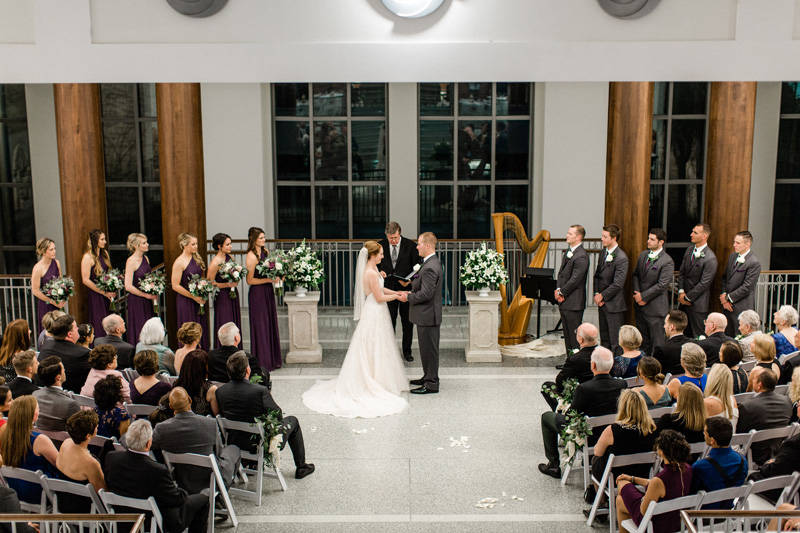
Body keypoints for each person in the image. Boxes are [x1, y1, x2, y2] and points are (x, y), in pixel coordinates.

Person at [303, 241, 408, 418]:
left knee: (379, 347)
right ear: (373, 255)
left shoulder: (374, 270)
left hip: (376, 312)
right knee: (373, 346)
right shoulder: (371, 273)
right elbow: (379, 297)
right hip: (375, 312)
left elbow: (382, 288)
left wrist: (396, 292)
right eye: (381, 254)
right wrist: (398, 297)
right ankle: (373, 382)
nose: (383, 256)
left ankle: (380, 380)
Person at [216, 352, 315, 479]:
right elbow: (277, 415)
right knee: (293, 421)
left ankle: (248, 462)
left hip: (235, 442)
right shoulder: (258, 391)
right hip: (259, 443)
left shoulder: (220, 392)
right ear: (248, 370)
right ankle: (301, 467)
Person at [104, 419, 210, 533]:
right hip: (152, 520)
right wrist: (183, 492)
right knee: (204, 498)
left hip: (121, 518)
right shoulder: (157, 471)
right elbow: (176, 499)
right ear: (149, 443)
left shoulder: (111, 458)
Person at [539, 347, 627, 479]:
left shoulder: (584, 389)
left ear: (593, 365)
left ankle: (553, 464)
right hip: (613, 432)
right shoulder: (622, 384)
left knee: (546, 417)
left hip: (590, 436)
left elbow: (570, 418)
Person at [151, 387, 241, 494]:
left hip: (183, 481)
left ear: (171, 406)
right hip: (210, 480)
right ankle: (222, 491)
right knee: (234, 449)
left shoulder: (162, 429)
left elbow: (146, 445)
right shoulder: (210, 423)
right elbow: (219, 452)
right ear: (190, 400)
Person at [588, 390, 657, 517]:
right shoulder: (652, 428)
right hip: (642, 474)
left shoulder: (613, 430)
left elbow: (597, 451)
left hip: (616, 477)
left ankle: (602, 502)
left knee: (596, 460)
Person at [616, 430, 693, 533]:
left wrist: (643, 497)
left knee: (621, 483)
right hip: (678, 522)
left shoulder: (660, 480)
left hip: (656, 526)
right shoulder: (687, 469)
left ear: (662, 452)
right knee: (620, 501)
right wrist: (633, 479)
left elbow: (643, 511)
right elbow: (659, 486)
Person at [398, 232, 443, 395]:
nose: (416, 246)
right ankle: (427, 376)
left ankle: (431, 383)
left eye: (419, 244)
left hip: (428, 315)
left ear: (427, 246)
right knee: (425, 349)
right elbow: (423, 284)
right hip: (426, 314)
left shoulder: (430, 266)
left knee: (429, 350)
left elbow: (426, 294)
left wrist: (407, 296)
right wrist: (411, 282)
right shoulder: (428, 263)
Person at [0, 396, 59, 504]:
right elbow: (60, 464)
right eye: (37, 408)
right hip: (40, 493)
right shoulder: (40, 440)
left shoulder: (4, 435)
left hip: (14, 490)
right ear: (31, 414)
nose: (39, 410)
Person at [378, 221, 420, 362]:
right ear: (386, 235)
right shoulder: (380, 245)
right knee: (389, 322)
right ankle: (389, 351)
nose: (393, 241)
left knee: (407, 323)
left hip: (405, 291)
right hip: (388, 290)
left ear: (400, 233)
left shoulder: (411, 246)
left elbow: (418, 268)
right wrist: (380, 272)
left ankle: (407, 352)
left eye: (395, 238)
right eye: (390, 238)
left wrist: (410, 281)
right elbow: (375, 264)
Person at [736, 368, 793, 466]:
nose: (752, 381)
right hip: (779, 451)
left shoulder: (747, 407)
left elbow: (741, 435)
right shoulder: (787, 401)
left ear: (760, 385)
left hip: (754, 454)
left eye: (754, 379)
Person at [245, 227, 282, 372]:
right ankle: (262, 362)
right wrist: (268, 280)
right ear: (254, 239)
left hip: (267, 292)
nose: (264, 240)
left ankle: (273, 359)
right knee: (260, 326)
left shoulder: (265, 253)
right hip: (257, 293)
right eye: (261, 238)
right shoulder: (251, 256)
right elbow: (250, 280)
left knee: (269, 323)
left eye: (264, 237)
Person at [632, 228, 674, 356]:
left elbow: (662, 285)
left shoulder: (667, 261)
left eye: (652, 239)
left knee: (657, 342)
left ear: (661, 242)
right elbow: (636, 275)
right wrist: (638, 294)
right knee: (643, 341)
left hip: (655, 308)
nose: (648, 241)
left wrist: (643, 297)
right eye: (648, 238)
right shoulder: (643, 255)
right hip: (640, 306)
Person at [690, 417, 747, 509]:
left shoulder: (700, 467)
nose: (703, 434)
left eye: (705, 432)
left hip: (702, 516)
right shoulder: (742, 461)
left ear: (712, 440)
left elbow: (691, 494)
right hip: (727, 513)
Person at [541, 323, 599, 411]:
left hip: (581, 396)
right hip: (599, 392)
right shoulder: (605, 354)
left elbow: (560, 381)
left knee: (547, 386)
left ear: (581, 339)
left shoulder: (575, 359)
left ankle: (561, 413)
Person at [56, 411, 108, 507]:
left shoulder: (66, 443)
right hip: (80, 508)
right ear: (88, 436)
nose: (97, 428)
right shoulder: (91, 463)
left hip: (61, 500)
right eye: (96, 427)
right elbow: (102, 492)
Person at [677, 223, 718, 338]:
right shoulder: (689, 250)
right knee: (683, 335)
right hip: (683, 302)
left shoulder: (710, 258)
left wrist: (687, 297)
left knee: (698, 336)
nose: (691, 235)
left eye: (695, 233)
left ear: (704, 236)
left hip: (698, 304)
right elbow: (682, 272)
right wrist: (681, 292)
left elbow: (704, 283)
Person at [593, 224, 629, 355]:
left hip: (614, 304)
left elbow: (618, 284)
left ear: (614, 238)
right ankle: (605, 365)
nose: (602, 239)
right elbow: (597, 275)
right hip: (602, 302)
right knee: (604, 337)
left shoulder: (621, 257)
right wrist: (596, 294)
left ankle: (616, 367)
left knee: (615, 340)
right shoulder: (603, 253)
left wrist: (602, 296)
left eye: (605, 237)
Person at [554, 225, 589, 354]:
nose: (567, 235)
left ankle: (575, 362)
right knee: (567, 334)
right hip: (564, 300)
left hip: (574, 301)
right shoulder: (569, 252)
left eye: (570, 233)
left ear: (578, 237)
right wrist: (558, 289)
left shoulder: (582, 256)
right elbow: (561, 273)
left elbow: (575, 279)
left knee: (575, 336)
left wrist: (562, 292)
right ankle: (569, 361)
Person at [172, 232, 210, 352]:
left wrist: (203, 291)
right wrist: (193, 297)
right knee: (189, 329)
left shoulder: (196, 258)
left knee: (200, 327)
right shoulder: (179, 262)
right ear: (184, 245)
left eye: (196, 243)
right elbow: (175, 285)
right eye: (193, 244)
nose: (196, 246)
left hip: (198, 300)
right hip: (186, 300)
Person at [719, 231, 762, 337]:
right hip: (727, 306)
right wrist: (724, 294)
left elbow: (747, 287)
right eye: (734, 242)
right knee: (727, 336)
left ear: (748, 244)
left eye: (738, 243)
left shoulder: (754, 262)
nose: (734, 245)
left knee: (740, 337)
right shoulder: (732, 257)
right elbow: (725, 278)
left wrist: (728, 298)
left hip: (742, 306)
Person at [36, 314, 90, 393]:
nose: (78, 328)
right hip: (69, 397)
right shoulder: (82, 353)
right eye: (75, 327)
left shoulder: (46, 344)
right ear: (69, 334)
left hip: (42, 393)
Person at [207, 232, 242, 349]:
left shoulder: (230, 258)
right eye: (227, 244)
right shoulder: (215, 262)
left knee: (234, 321)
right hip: (222, 296)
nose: (230, 246)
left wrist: (236, 279)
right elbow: (210, 284)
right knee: (225, 322)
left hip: (233, 295)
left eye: (230, 244)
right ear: (219, 246)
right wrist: (226, 284)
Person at [124, 232, 157, 346]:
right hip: (137, 300)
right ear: (135, 246)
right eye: (144, 243)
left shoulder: (146, 259)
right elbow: (128, 285)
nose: (147, 244)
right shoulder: (131, 261)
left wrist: (153, 286)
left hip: (147, 299)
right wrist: (145, 295)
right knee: (140, 326)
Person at [81, 229, 115, 339]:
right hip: (96, 295)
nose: (105, 242)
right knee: (99, 321)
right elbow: (85, 280)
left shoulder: (104, 254)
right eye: (102, 239)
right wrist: (103, 292)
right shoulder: (87, 257)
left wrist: (113, 286)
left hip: (107, 294)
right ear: (95, 241)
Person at [32, 356, 81, 431]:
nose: (65, 370)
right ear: (58, 377)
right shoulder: (71, 405)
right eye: (63, 369)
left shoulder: (35, 395)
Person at [31, 237, 65, 336]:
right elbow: (35, 290)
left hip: (57, 303)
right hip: (46, 303)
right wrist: (52, 301)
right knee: (49, 330)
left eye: (54, 248)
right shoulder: (37, 268)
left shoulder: (56, 263)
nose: (54, 251)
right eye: (51, 249)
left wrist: (63, 298)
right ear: (43, 251)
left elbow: (61, 282)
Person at [173, 350, 219, 417]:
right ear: (204, 368)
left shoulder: (177, 385)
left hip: (181, 424)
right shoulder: (210, 389)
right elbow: (217, 416)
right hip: (203, 425)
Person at [653, 310, 696, 376]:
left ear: (671, 327)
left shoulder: (661, 349)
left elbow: (656, 375)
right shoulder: (694, 344)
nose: (664, 326)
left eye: (665, 323)